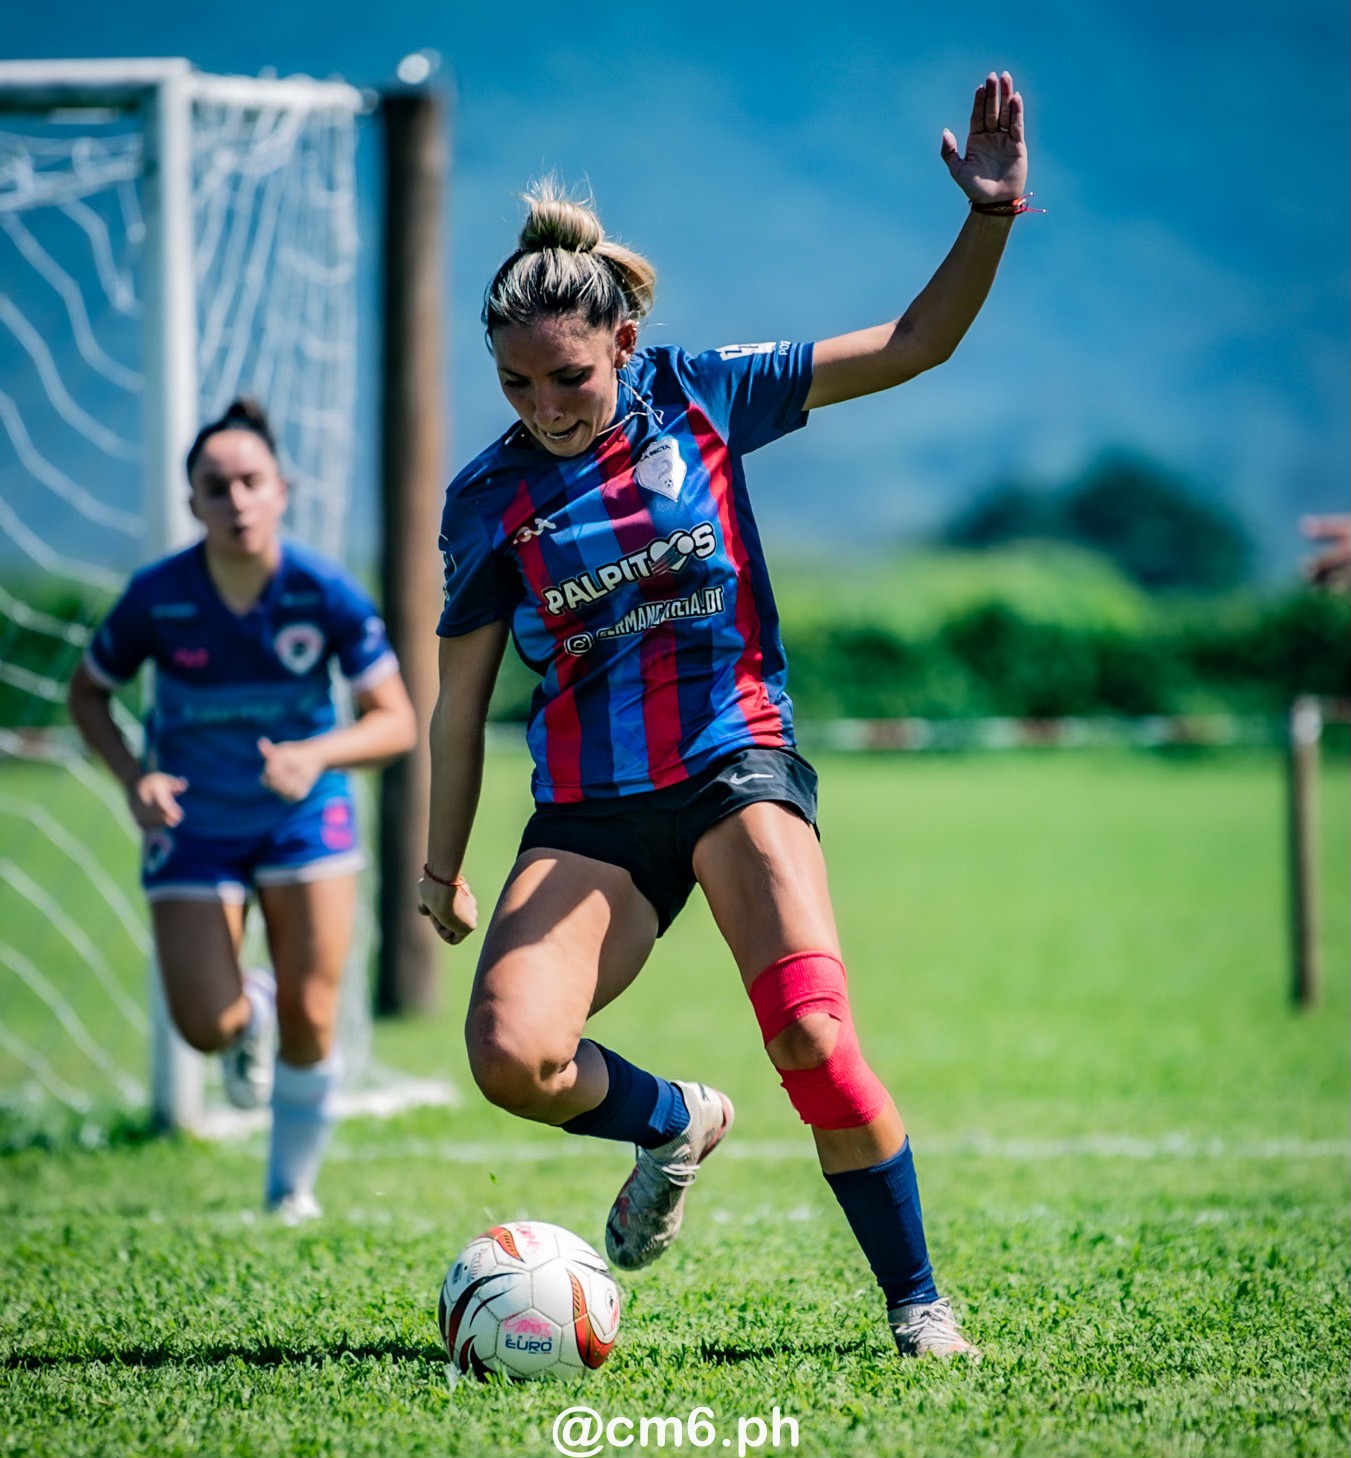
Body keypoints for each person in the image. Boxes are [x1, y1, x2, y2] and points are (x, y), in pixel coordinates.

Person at [418, 71, 1032, 1358]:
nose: (542, 408)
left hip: (736, 764)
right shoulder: (486, 500)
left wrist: (987, 215)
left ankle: (918, 1305)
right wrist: (440, 866)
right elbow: (458, 701)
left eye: (567, 379)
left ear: (623, 345)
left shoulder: (705, 394)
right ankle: (670, 1120)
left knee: (812, 1034)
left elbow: (917, 344)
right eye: (517, 385)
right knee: (511, 1057)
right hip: (588, 813)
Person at [68, 398, 418, 1222]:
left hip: (302, 819)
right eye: (215, 487)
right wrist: (131, 776)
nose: (235, 501)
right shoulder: (157, 598)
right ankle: (247, 1006)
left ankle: (288, 1189)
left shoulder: (324, 591)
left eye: (250, 482)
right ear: (192, 503)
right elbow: (88, 695)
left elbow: (396, 721)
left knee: (314, 1011)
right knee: (205, 1024)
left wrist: (314, 755)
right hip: (190, 825)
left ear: (281, 490)